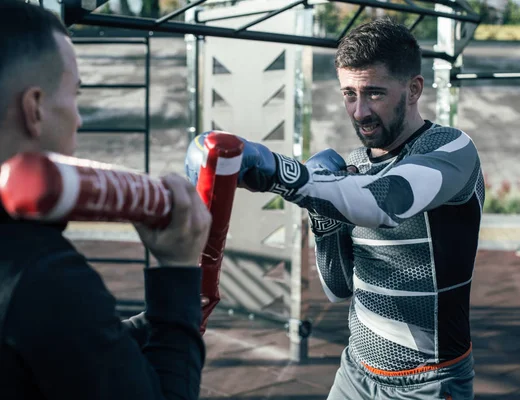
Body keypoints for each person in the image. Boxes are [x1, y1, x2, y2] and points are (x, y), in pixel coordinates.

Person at [186, 18, 484, 400]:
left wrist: (282, 173)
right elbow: (338, 286)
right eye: (349, 94)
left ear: (413, 89)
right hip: (356, 371)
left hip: (429, 382)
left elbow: (386, 200)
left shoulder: (450, 149)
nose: (359, 112)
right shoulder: (353, 167)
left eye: (374, 93)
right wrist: (323, 216)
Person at [0, 2, 211, 399]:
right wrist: (179, 271)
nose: (78, 119)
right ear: (34, 109)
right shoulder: (45, 278)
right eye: (74, 95)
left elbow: (61, 349)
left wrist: (144, 323)